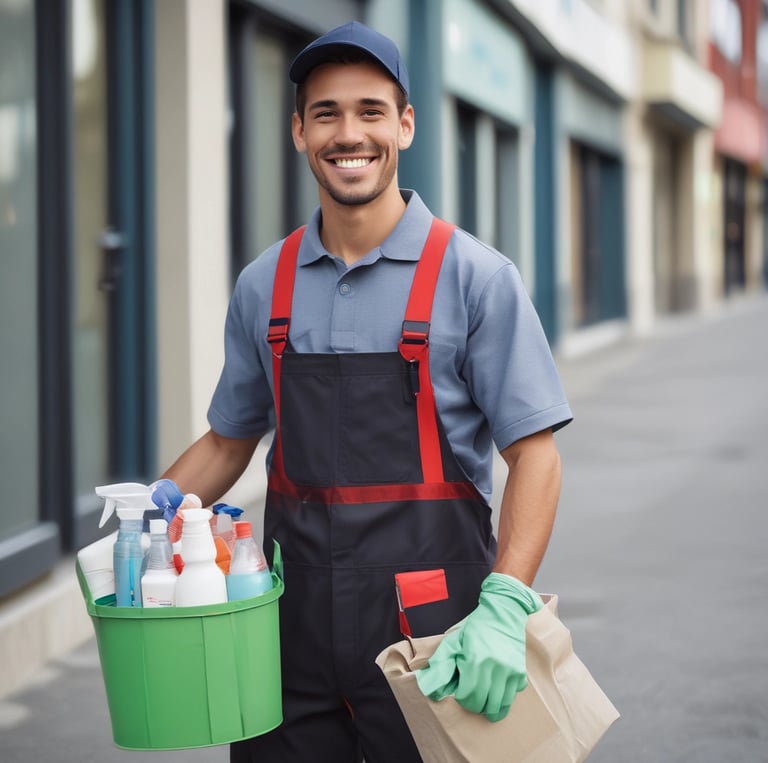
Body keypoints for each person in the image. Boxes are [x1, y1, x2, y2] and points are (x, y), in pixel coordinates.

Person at [161, 21, 572, 763]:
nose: (349, 133)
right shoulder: (266, 284)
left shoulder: (475, 278)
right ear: (298, 131)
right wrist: (148, 515)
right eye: (326, 113)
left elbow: (533, 452)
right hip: (286, 640)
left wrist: (507, 602)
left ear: (405, 125)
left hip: (435, 642)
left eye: (371, 111)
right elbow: (229, 440)